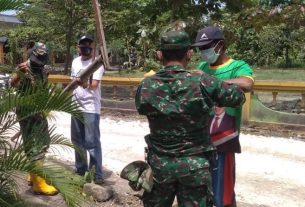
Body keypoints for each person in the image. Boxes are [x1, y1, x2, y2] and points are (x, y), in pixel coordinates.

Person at [135, 30, 245, 207]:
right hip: (195, 167)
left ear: (160, 54)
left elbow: (141, 107)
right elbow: (238, 97)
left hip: (159, 167)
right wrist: (213, 83)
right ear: (189, 53)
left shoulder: (146, 85)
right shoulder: (203, 82)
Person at [193, 26, 254, 207]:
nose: (204, 52)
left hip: (223, 140)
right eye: (201, 48)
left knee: (223, 193)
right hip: (201, 139)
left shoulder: (237, 66)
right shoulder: (202, 66)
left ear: (221, 45)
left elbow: (247, 84)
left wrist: (210, 80)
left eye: (207, 47)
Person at [11, 42, 58, 195]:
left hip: (39, 110)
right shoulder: (23, 67)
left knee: (40, 142)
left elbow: (43, 85)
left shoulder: (43, 68)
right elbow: (11, 84)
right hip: (27, 110)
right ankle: (39, 184)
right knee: (37, 144)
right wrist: (19, 75)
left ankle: (33, 175)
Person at [70, 35, 104, 184]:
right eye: (83, 44)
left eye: (88, 44)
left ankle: (97, 175)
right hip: (75, 107)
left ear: (92, 47)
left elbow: (94, 85)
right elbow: (72, 81)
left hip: (91, 108)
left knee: (92, 142)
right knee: (77, 141)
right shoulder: (75, 62)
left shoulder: (97, 64)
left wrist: (84, 84)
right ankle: (80, 170)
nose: (86, 47)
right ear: (79, 47)